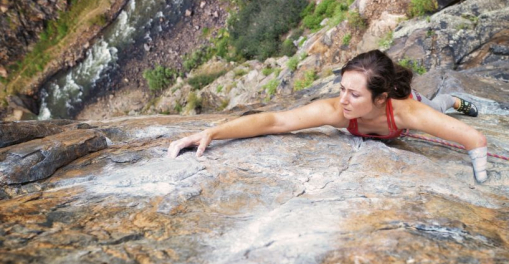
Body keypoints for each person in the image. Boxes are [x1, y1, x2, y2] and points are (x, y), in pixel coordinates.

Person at [167, 50, 489, 182]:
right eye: (342, 88)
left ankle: (453, 100)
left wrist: (479, 166)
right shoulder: (335, 111)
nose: (343, 99)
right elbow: (276, 121)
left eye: (354, 94)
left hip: (415, 108)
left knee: (437, 105)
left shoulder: (407, 112)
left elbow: (474, 139)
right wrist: (214, 132)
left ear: (380, 98)